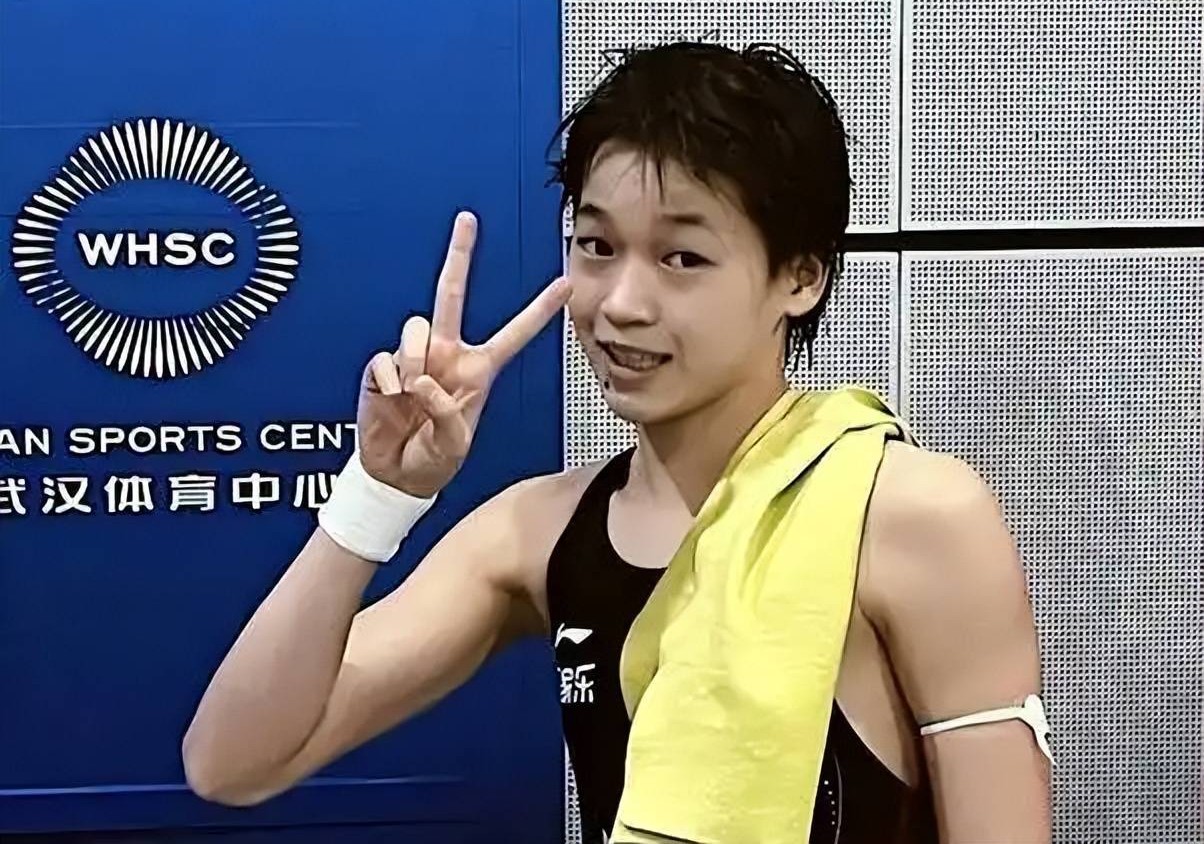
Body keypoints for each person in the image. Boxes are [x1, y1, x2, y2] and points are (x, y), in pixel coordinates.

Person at [183, 43, 1052, 843]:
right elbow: (232, 763)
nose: (620, 304)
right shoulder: (536, 532)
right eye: (596, 246)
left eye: (682, 258)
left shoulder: (914, 519)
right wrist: (379, 493)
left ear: (801, 275)